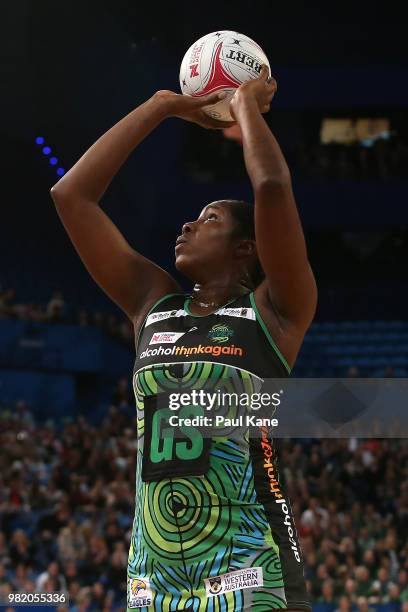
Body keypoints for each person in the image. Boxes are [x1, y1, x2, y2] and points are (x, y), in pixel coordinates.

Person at [51, 66, 317, 611]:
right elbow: (71, 195)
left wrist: (242, 105)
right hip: (153, 576)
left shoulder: (275, 311)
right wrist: (162, 106)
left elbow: (269, 186)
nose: (188, 226)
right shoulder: (153, 302)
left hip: (248, 565)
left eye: (209, 218)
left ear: (246, 248)